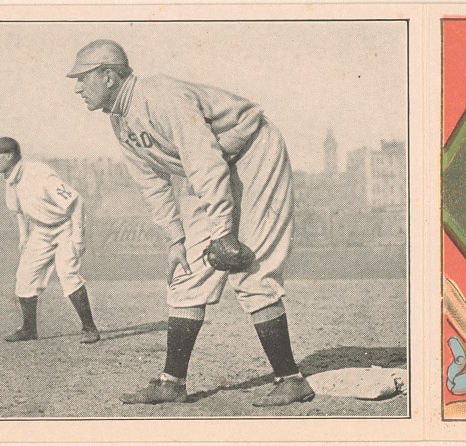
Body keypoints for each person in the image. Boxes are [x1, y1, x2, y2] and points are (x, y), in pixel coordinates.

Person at [66, 39, 314, 406]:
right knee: (186, 274)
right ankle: (171, 382)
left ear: (108, 76)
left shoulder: (159, 96)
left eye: (82, 78)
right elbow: (152, 183)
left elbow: (205, 163)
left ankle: (291, 379)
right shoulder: (120, 120)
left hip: (252, 152)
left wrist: (223, 233)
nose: (77, 87)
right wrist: (175, 240)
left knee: (247, 267)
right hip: (215, 168)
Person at [0, 137, 100, 344]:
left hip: (65, 226)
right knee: (24, 276)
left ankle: (90, 328)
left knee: (67, 273)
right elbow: (18, 211)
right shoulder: (10, 179)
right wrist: (24, 236)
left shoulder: (39, 173)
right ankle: (29, 329)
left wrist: (78, 238)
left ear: (9, 155)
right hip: (41, 230)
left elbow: (76, 201)